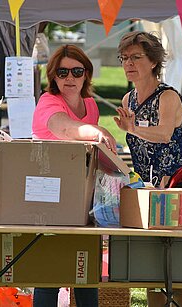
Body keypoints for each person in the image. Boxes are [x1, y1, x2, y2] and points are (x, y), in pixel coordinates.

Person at [32, 44, 116, 307]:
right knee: (49, 273)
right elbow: (65, 129)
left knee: (86, 271)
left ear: (86, 75)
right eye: (63, 72)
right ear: (53, 76)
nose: (70, 78)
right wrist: (96, 130)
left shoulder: (90, 106)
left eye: (77, 71)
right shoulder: (48, 101)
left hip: (82, 198)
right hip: (47, 197)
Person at [113, 31, 182, 307]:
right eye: (124, 58)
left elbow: (165, 135)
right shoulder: (128, 100)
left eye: (136, 57)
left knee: (178, 269)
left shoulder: (167, 97)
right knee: (150, 266)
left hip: (176, 189)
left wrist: (133, 128)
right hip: (145, 190)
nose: (128, 63)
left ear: (154, 61)